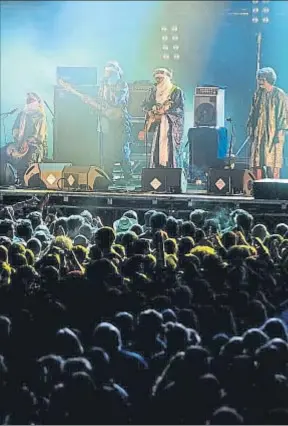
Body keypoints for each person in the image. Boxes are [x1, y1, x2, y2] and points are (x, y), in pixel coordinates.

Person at [246, 67, 288, 179]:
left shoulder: (279, 94)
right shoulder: (257, 94)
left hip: (274, 134)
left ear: (269, 80)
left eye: (262, 79)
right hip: (258, 134)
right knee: (257, 162)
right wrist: (250, 129)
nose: (260, 82)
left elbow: (283, 116)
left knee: (272, 163)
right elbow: (252, 113)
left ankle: (274, 191)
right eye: (259, 79)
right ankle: (258, 187)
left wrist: (279, 134)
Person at [140, 67, 185, 168]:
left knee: (170, 151)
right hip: (157, 125)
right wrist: (152, 110)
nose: (159, 81)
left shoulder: (176, 91)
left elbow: (179, 110)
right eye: (157, 79)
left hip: (171, 127)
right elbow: (145, 105)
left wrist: (165, 112)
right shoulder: (154, 90)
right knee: (157, 150)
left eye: (161, 78)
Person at [0, 92, 47, 185]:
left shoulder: (41, 117)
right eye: (28, 100)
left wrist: (26, 141)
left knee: (25, 163)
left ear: (37, 102)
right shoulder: (22, 114)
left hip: (34, 146)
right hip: (20, 143)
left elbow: (39, 137)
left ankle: (24, 183)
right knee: (2, 153)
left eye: (31, 100)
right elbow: (15, 129)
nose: (29, 102)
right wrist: (18, 138)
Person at [97, 61, 132, 181]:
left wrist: (107, 87)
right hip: (107, 120)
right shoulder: (103, 85)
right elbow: (101, 100)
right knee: (107, 148)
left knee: (121, 148)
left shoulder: (122, 85)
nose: (108, 74)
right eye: (107, 72)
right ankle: (107, 175)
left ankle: (128, 175)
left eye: (110, 72)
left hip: (120, 120)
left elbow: (116, 100)